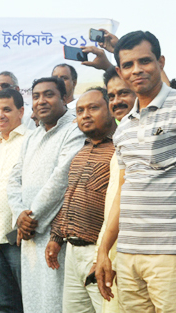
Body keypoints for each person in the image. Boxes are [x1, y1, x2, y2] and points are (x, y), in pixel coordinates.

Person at [94, 31, 176, 313]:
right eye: (128, 65)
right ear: (120, 71)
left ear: (161, 61)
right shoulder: (124, 127)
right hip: (129, 253)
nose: (137, 70)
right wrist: (104, 250)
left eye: (144, 61)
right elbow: (124, 192)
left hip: (175, 254)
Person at [7, 77, 86, 312]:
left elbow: (61, 179)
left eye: (49, 94)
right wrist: (19, 215)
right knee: (33, 302)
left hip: (55, 232)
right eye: (36, 96)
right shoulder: (33, 135)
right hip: (29, 232)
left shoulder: (74, 129)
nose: (41, 101)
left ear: (64, 98)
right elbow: (13, 179)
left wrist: (31, 218)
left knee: (55, 302)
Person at [45, 88, 117, 313]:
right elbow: (69, 197)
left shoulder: (120, 150)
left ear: (110, 109)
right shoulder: (80, 152)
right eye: (80, 110)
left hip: (101, 253)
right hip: (73, 252)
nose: (85, 115)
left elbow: (121, 207)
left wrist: (104, 255)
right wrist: (56, 236)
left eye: (93, 108)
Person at [92, 66, 138, 313]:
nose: (117, 101)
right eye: (111, 96)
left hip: (135, 251)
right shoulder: (121, 135)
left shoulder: (142, 134)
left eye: (124, 93)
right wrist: (102, 251)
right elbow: (114, 202)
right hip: (112, 249)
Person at [0, 88, 28, 313]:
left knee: (27, 302)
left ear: (21, 111)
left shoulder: (30, 140)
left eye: (7, 110)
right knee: (5, 304)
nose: (0, 115)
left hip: (18, 237)